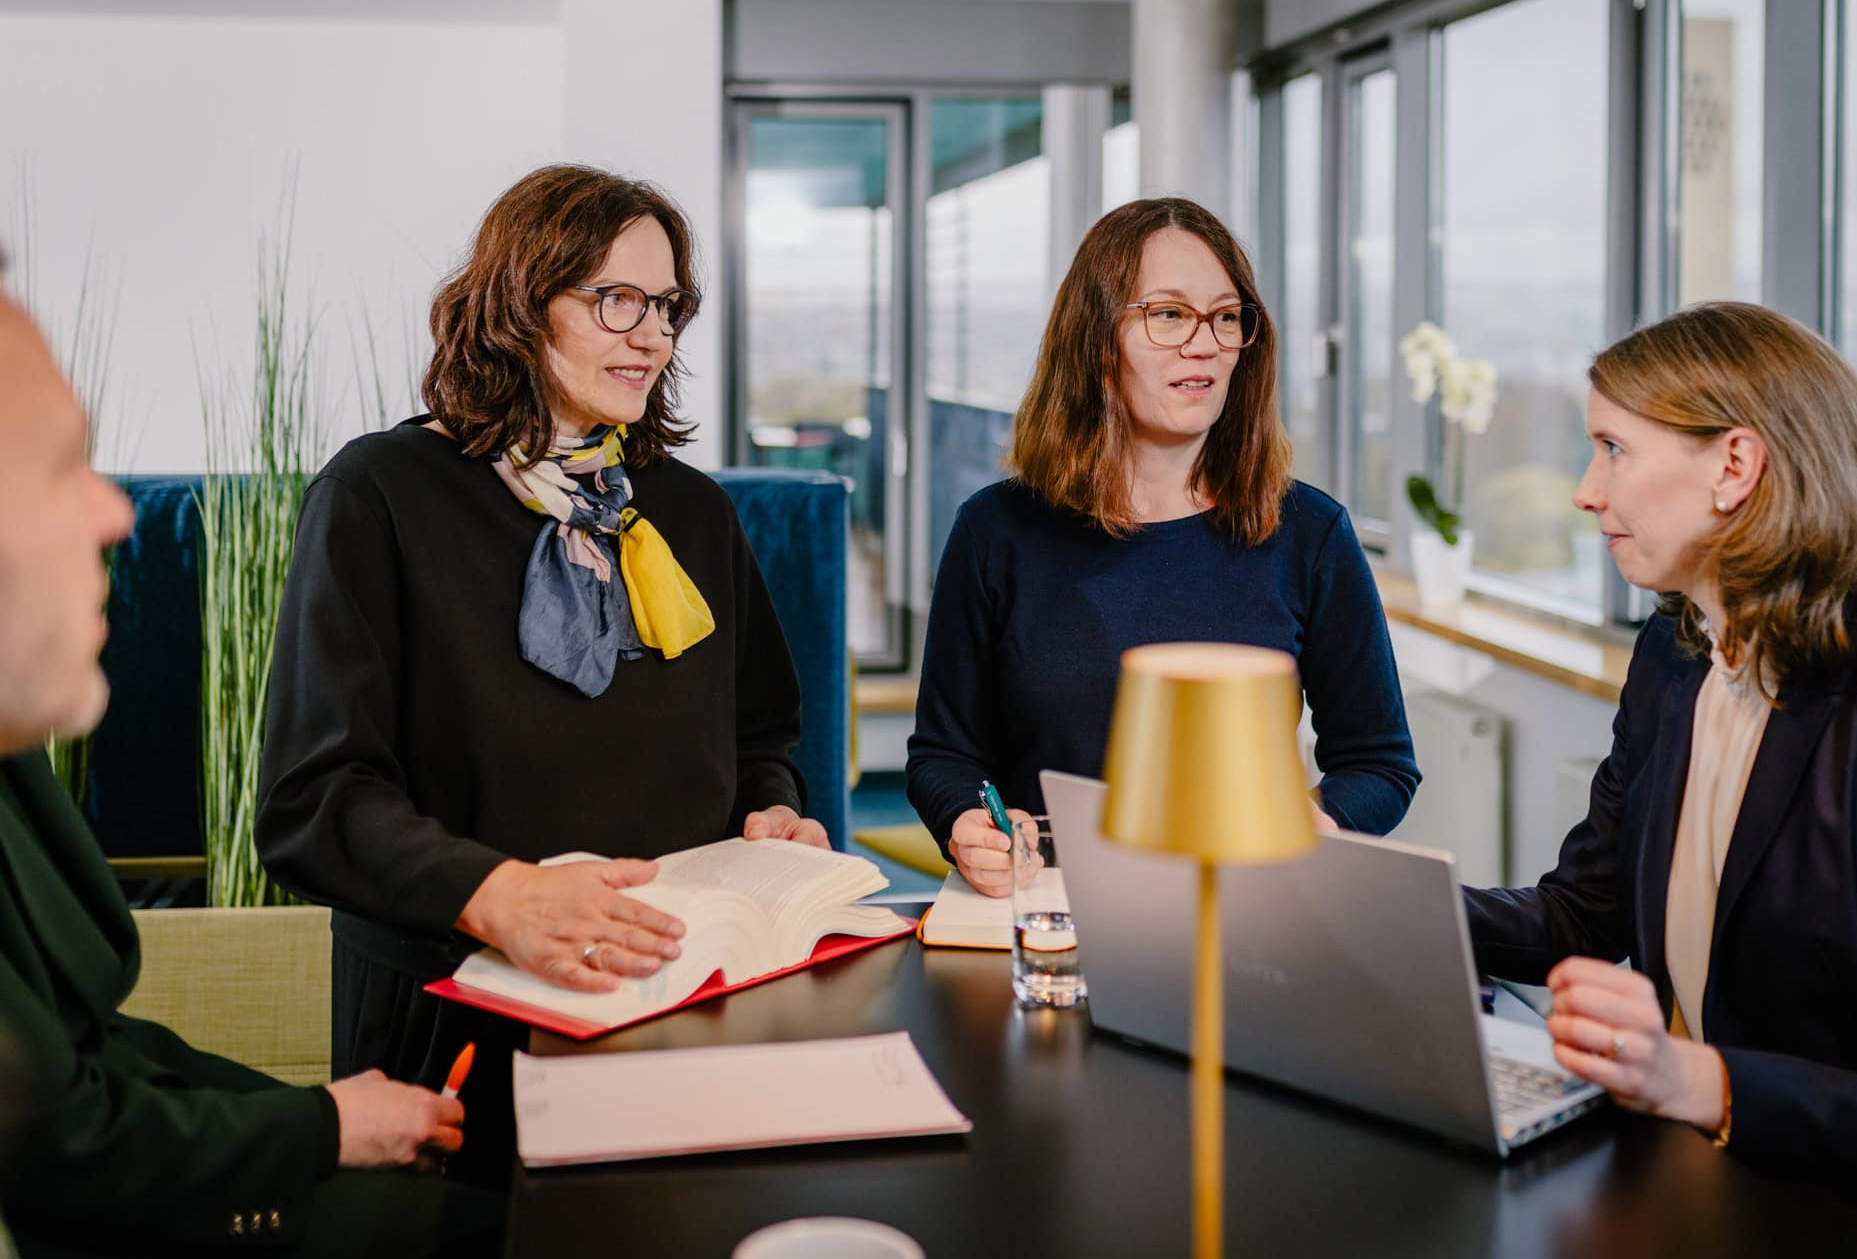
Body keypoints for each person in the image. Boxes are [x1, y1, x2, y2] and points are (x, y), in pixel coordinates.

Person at [254, 165, 824, 1183]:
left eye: (666, 306)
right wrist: (496, 895)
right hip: (459, 1011)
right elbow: (314, 798)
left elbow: (757, 737)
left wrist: (770, 812)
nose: (652, 335)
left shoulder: (690, 511)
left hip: (683, 991)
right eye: (616, 300)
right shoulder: (379, 494)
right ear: (519, 303)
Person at [0, 278, 497, 1256]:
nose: (115, 513)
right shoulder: (373, 489)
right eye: (57, 468)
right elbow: (58, 1146)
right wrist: (318, 1128)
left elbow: (81, 1062)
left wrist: (319, 1118)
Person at [1464, 302, 1857, 1204]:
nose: (1586, 491)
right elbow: (1581, 914)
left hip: (1841, 1211)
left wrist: (1694, 1081)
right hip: (1684, 1179)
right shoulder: (1675, 650)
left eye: (1614, 449)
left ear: (1735, 467)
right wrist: (1375, 896)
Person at [908, 196, 1419, 894]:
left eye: (1226, 317)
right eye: (1170, 313)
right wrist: (969, 823)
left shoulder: (1310, 532)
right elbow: (943, 755)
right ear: (1096, 339)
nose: (1205, 343)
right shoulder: (994, 530)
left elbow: (1380, 764)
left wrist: (1312, 820)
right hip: (1047, 911)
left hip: (1240, 909)